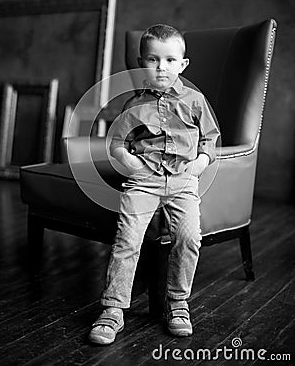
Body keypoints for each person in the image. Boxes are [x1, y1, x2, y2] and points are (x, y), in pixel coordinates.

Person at [89, 24, 220, 345]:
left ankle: (177, 304)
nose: (162, 67)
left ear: (183, 64)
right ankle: (113, 308)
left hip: (182, 181)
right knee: (127, 241)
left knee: (188, 238)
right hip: (143, 182)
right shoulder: (132, 104)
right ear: (141, 62)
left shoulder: (195, 100)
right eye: (153, 60)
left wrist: (200, 164)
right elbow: (116, 142)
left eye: (170, 60)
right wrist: (129, 161)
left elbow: (211, 140)